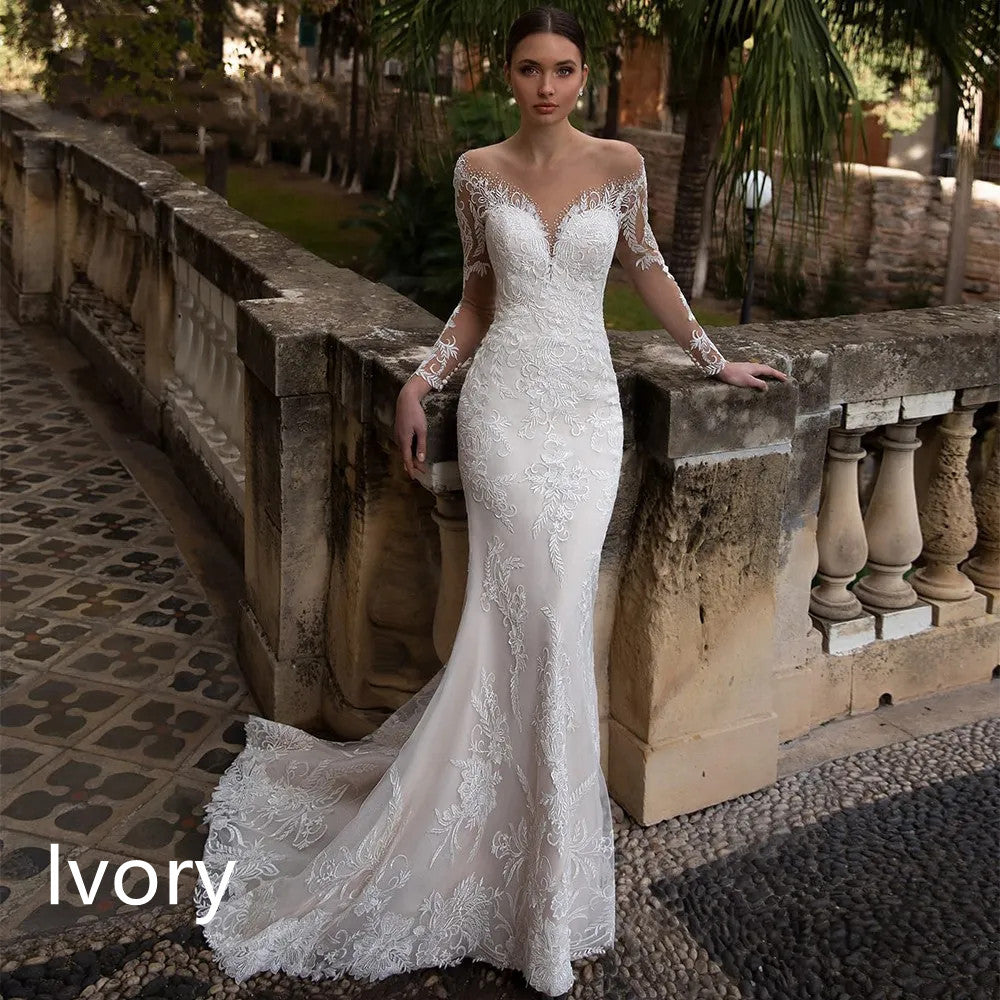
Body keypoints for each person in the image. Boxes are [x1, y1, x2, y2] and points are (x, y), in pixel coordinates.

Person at [195, 5, 788, 997]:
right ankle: (514, 871)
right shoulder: (478, 172)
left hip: (588, 415)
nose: (546, 85)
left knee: (555, 624)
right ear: (507, 75)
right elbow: (476, 299)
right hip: (507, 410)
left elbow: (643, 265)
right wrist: (422, 379)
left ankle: (542, 874)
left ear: (582, 77)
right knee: (530, 619)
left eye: (562, 68)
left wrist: (712, 357)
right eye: (529, 68)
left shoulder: (620, 168)